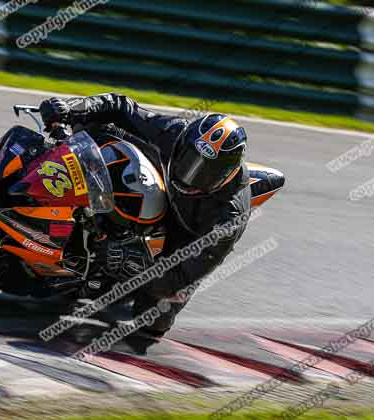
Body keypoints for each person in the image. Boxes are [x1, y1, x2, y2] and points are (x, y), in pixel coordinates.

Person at [39, 93, 252, 339]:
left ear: (225, 175)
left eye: (203, 174)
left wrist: (137, 267)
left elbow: (179, 279)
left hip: (188, 234)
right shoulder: (175, 132)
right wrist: (72, 108)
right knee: (101, 127)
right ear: (182, 143)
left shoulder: (227, 218)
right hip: (160, 182)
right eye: (187, 161)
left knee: (153, 318)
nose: (189, 176)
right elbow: (122, 107)